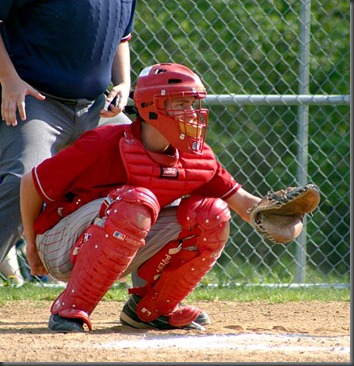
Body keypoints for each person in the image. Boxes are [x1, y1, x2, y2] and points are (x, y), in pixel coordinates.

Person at [20, 63, 262, 332]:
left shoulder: (197, 156)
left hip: (122, 235)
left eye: (192, 104)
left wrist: (279, 216)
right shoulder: (106, 141)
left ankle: (150, 310)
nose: (191, 113)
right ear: (150, 107)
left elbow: (242, 203)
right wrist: (32, 245)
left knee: (212, 213)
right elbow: (31, 183)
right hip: (59, 242)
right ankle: (71, 308)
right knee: (135, 202)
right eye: (181, 103)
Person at [0, 0, 136, 264]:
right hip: (36, 101)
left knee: (151, 168)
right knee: (22, 182)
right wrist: (8, 79)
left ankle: (151, 299)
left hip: (98, 108)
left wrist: (123, 82)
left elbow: (121, 38)